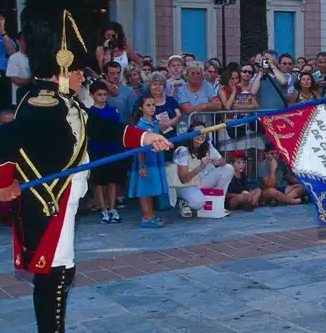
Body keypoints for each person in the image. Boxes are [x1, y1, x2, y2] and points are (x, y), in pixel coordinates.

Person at [0, 0, 171, 333]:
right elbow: (2, 138)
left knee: (60, 272)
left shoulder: (62, 102)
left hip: (61, 204)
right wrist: (3, 184)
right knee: (53, 274)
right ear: (65, 64)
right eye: (80, 72)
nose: (84, 78)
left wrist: (145, 137)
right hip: (46, 205)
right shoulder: (42, 103)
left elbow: (100, 128)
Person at [172, 120, 235, 216]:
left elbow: (222, 160)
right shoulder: (183, 151)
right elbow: (183, 179)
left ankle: (217, 202)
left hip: (200, 181)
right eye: (197, 132)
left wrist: (219, 162)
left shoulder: (207, 145)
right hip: (185, 185)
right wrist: (201, 166)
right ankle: (184, 201)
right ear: (191, 134)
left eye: (204, 132)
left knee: (228, 168)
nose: (201, 135)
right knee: (198, 203)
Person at [87, 82, 125, 224]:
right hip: (97, 148)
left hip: (113, 148)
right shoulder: (89, 112)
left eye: (104, 95)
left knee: (113, 180)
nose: (102, 97)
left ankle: (112, 208)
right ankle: (103, 209)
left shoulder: (112, 111)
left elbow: (118, 128)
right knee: (99, 181)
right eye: (99, 95)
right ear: (92, 95)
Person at [129, 95, 169, 227]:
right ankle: (146, 217)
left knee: (151, 188)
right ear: (141, 107)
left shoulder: (155, 123)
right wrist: (142, 165)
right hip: (146, 161)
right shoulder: (141, 125)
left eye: (153, 104)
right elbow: (140, 148)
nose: (152, 108)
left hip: (155, 159)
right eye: (148, 105)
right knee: (144, 189)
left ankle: (151, 214)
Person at [5, 36, 31, 106]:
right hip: (19, 98)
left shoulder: (36, 57)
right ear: (18, 41)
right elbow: (16, 80)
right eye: (24, 40)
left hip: (34, 97)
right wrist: (33, 80)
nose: (27, 43)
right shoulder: (14, 58)